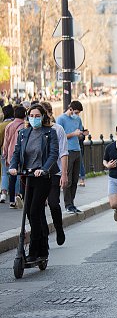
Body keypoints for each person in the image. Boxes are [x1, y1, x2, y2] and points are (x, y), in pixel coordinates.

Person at [9, 104, 59, 262]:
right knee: (30, 215)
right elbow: (17, 152)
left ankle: (35, 249)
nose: (34, 118)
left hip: (42, 177)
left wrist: (43, 169)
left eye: (38, 116)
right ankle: (42, 245)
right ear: (28, 117)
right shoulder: (23, 133)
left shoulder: (50, 133)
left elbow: (53, 154)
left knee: (33, 211)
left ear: (43, 117)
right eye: (32, 115)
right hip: (27, 177)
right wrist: (12, 167)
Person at [40, 101, 68, 246]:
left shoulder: (58, 129)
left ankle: (59, 228)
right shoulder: (34, 130)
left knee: (53, 203)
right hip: (37, 174)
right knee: (37, 207)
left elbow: (63, 152)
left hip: (54, 172)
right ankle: (44, 235)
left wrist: (64, 174)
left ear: (49, 114)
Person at [56, 100, 88, 213]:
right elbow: (59, 135)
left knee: (75, 179)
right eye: (76, 112)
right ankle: (67, 204)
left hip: (77, 150)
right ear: (70, 109)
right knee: (67, 179)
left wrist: (81, 134)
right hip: (67, 151)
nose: (77, 114)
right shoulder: (61, 119)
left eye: (78, 113)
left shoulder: (78, 119)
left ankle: (72, 203)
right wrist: (73, 134)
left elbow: (78, 133)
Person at [3, 106, 26, 209]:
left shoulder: (9, 126)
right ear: (24, 115)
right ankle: (20, 196)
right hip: (23, 155)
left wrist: (5, 154)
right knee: (22, 177)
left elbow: (6, 142)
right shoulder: (25, 127)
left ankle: (12, 200)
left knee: (12, 178)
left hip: (11, 155)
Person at [0, 105, 14, 203]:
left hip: (4, 151)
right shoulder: (18, 124)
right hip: (16, 152)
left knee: (5, 173)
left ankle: (3, 193)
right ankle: (16, 195)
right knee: (15, 173)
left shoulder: (2, 126)